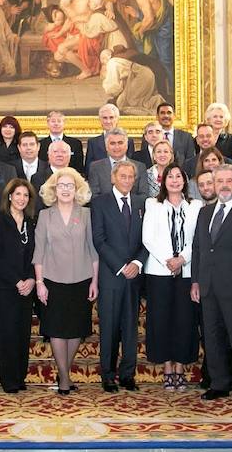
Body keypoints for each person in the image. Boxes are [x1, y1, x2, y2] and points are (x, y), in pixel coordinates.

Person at [191, 164, 232, 404]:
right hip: (207, 286)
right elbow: (198, 248)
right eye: (220, 181)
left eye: (229, 180)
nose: (224, 185)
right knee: (212, 337)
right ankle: (219, 384)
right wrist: (195, 281)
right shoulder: (205, 212)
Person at [33, 168, 99, 394]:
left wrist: (95, 282)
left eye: (70, 185)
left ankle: (64, 373)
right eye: (61, 185)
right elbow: (39, 252)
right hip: (53, 280)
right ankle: (64, 378)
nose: (65, 189)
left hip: (81, 279)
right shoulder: (45, 215)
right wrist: (39, 282)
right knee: (57, 330)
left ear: (77, 189)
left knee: (76, 330)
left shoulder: (87, 214)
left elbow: (93, 251)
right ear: (54, 189)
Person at [141, 163, 202, 391]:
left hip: (187, 271)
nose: (174, 180)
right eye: (170, 176)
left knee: (184, 321)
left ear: (184, 181)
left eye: (178, 176)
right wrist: (169, 260)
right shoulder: (152, 204)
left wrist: (182, 259)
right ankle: (167, 367)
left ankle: (180, 368)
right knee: (161, 320)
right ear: (163, 181)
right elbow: (147, 238)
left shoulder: (195, 206)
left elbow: (198, 238)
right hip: (159, 271)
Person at [91, 161, 147, 393]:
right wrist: (121, 266)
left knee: (130, 327)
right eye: (122, 176)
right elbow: (99, 239)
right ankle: (108, 375)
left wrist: (137, 263)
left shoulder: (142, 203)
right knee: (110, 327)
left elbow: (148, 238)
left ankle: (127, 374)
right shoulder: (99, 203)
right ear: (113, 178)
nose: (127, 180)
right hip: (111, 275)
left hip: (134, 276)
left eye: (131, 176)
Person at [0, 179, 37, 393]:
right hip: (5, 286)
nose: (21, 199)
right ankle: (9, 380)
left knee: (23, 333)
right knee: (7, 333)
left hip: (27, 287)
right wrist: (16, 281)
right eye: (18, 194)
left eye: (25, 195)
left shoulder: (30, 222)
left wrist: (31, 279)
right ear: (9, 196)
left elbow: (35, 254)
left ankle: (20, 376)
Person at [87, 128, 148, 197]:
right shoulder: (96, 167)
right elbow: (94, 195)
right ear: (106, 147)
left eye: (120, 143)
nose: (117, 147)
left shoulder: (140, 167)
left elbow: (143, 195)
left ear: (126, 146)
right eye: (112, 143)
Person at [85, 103, 136, 171]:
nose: (108, 121)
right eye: (105, 118)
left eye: (111, 117)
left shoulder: (129, 141)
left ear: (117, 119)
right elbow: (89, 169)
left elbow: (132, 166)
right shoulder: (93, 142)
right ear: (100, 120)